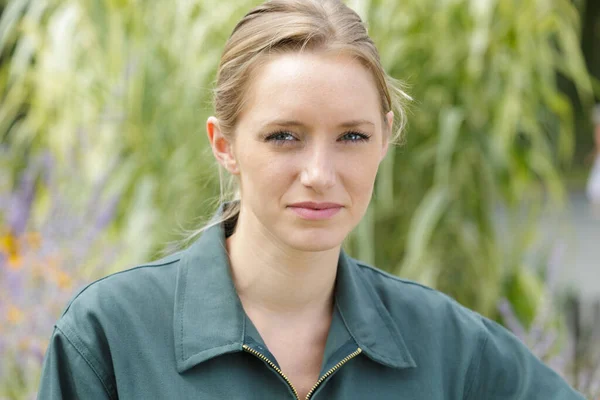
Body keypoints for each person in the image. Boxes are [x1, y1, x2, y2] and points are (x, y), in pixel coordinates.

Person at [37, 1, 585, 399]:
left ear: (386, 138)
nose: (320, 174)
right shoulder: (108, 336)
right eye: (284, 136)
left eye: (352, 136)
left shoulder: (447, 345)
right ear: (224, 145)